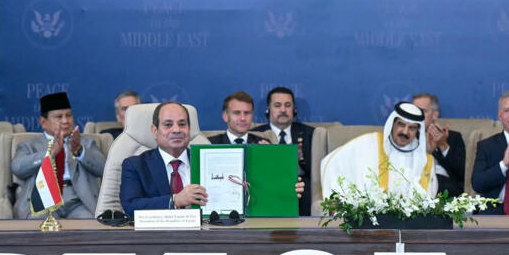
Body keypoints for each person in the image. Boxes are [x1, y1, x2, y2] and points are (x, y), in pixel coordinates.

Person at [120, 101, 304, 215]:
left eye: (182, 124)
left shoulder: (211, 160)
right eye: (168, 125)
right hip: (157, 241)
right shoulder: (135, 165)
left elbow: (245, 193)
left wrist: (280, 184)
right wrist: (175, 200)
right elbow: (130, 206)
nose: (176, 130)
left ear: (189, 129)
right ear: (155, 131)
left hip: (208, 238)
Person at [12, 92, 106, 219]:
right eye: (59, 117)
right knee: (38, 222)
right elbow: (17, 168)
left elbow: (104, 169)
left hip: (78, 200)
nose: (65, 121)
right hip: (43, 199)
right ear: (43, 122)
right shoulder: (29, 145)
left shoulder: (85, 142)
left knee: (88, 223)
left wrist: (79, 151)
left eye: (68, 115)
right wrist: (49, 154)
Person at [321, 102, 438, 198]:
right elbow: (332, 161)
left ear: (418, 131)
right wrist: (337, 197)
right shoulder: (369, 143)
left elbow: (429, 199)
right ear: (393, 124)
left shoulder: (425, 161)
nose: (405, 132)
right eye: (401, 125)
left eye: (412, 128)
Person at [252, 87, 315, 215]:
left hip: (301, 188)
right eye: (277, 105)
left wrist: (301, 158)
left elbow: (315, 172)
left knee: (305, 185)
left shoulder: (310, 134)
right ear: (268, 108)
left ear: (294, 109)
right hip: (267, 186)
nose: (283, 110)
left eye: (287, 105)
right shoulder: (256, 134)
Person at [412, 93, 465, 198]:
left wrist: (443, 145)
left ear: (435, 115)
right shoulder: (406, 136)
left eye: (422, 111)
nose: (417, 116)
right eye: (414, 111)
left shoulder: (453, 137)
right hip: (414, 180)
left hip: (443, 183)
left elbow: (462, 173)